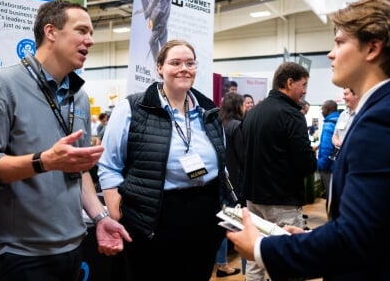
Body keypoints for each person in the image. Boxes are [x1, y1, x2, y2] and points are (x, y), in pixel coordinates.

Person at [228, 0, 390, 280]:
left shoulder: (387, 120)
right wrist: (310, 239)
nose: (331, 54)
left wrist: (262, 248)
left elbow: (354, 240)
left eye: (340, 42)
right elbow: (375, 222)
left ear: (372, 48)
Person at [0, 0, 130, 280]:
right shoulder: (0, 85)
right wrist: (44, 162)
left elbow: (78, 170)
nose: (90, 40)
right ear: (51, 32)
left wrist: (100, 218)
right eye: (81, 31)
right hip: (21, 254)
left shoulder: (78, 96)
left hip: (73, 245)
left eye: (91, 33)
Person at [97, 40, 229, 281]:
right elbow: (108, 164)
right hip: (155, 217)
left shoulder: (208, 111)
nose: (184, 69)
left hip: (205, 215)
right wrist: (116, 210)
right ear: (159, 68)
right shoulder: (133, 108)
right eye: (175, 63)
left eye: (190, 63)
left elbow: (222, 163)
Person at [241, 61, 317, 281]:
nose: (304, 91)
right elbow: (305, 163)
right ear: (289, 82)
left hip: (253, 198)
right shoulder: (292, 114)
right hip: (281, 201)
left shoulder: (254, 113)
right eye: (303, 85)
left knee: (256, 259)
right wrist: (311, 157)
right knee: (286, 262)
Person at [214, 92, 246, 277]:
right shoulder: (237, 126)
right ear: (238, 106)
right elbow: (243, 158)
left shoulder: (218, 124)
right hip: (235, 184)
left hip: (219, 182)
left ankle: (222, 263)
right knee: (236, 227)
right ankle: (240, 269)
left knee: (222, 224)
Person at [316, 99, 340, 204]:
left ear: (327, 109)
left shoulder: (328, 124)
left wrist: (320, 165)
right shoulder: (340, 120)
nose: (321, 111)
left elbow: (327, 149)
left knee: (330, 198)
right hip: (337, 165)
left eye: (322, 109)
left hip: (328, 167)